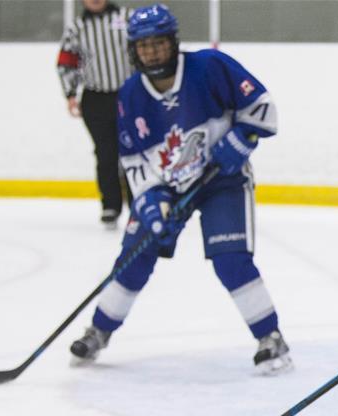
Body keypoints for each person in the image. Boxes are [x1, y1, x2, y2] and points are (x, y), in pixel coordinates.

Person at [68, 3, 291, 374]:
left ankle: (271, 338)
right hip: (167, 187)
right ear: (133, 51)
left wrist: (239, 142)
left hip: (223, 180)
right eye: (144, 46)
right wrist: (151, 199)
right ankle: (99, 331)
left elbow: (263, 109)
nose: (152, 52)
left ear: (173, 42)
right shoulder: (130, 95)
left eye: (158, 43)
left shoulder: (209, 67)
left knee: (230, 258)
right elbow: (134, 159)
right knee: (133, 257)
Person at [57, 0, 133, 228]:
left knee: (134, 151)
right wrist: (70, 94)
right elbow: (66, 62)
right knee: (106, 153)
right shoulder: (77, 27)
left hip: (129, 96)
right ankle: (110, 205)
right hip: (96, 98)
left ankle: (139, 203)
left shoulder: (127, 18)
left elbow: (145, 50)